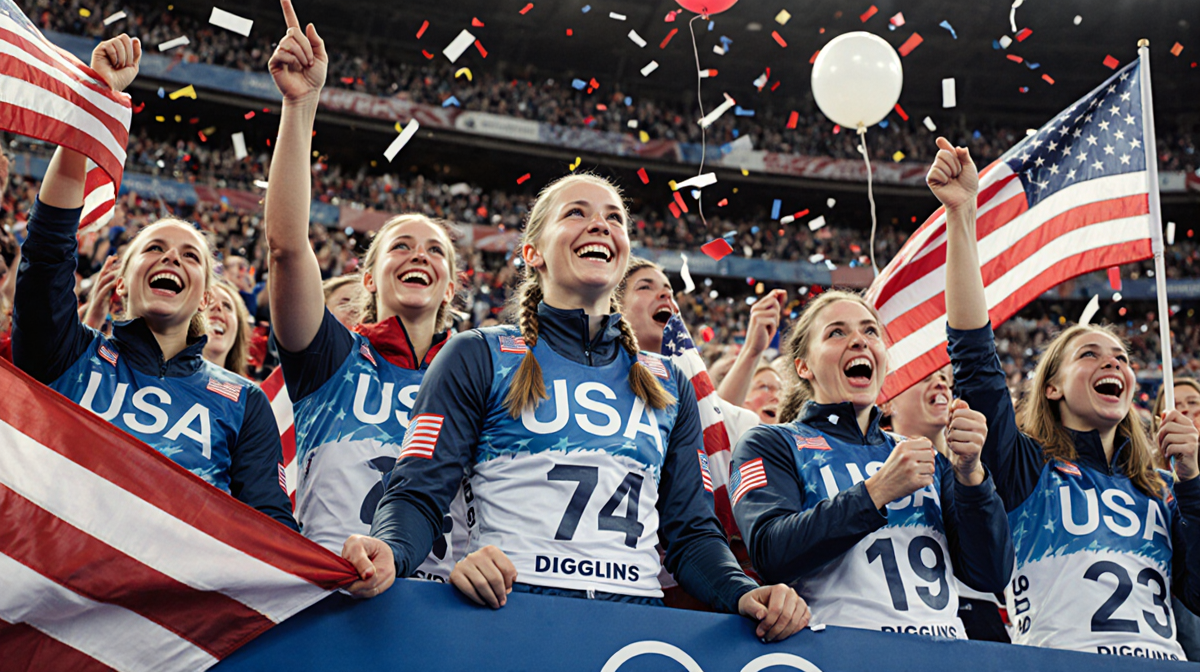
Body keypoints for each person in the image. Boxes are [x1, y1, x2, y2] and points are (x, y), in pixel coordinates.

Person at [342, 172, 810, 642]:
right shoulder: (476, 354)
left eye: (614, 218)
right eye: (576, 213)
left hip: (634, 630)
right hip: (510, 616)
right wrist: (389, 550)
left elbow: (691, 535)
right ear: (533, 253)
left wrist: (741, 591)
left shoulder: (671, 383)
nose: (600, 225)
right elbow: (417, 495)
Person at [12, 34, 295, 528]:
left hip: (176, 605)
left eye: (190, 256)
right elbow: (48, 245)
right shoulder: (67, 353)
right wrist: (94, 97)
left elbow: (270, 528)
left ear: (205, 294)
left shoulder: (244, 404)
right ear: (122, 281)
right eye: (155, 250)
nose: (171, 259)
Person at [939, 136, 1200, 660]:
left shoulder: (1161, 487)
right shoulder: (1024, 464)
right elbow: (975, 359)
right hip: (1058, 660)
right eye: (1090, 354)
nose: (1114, 363)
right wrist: (961, 216)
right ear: (1051, 386)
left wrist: (1193, 482)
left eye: (1122, 359)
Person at [264, 0, 469, 581]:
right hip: (334, 591)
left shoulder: (485, 376)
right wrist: (300, 106)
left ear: (450, 286)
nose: (418, 256)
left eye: (434, 251)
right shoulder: (330, 358)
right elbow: (286, 245)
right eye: (400, 247)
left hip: (449, 607)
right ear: (369, 278)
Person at [730, 289, 1013, 638]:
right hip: (842, 651)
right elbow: (770, 552)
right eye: (837, 332)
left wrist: (972, 476)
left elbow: (990, 573)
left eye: (870, 331)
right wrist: (876, 491)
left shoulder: (925, 456)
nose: (859, 342)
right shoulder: (772, 443)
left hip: (945, 653)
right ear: (803, 365)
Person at [885, 367, 1010, 642]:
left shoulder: (977, 469)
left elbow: (997, 566)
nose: (940, 383)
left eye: (944, 377)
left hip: (981, 617)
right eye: (924, 376)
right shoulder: (868, 475)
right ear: (888, 402)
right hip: (901, 626)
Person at [203, 277, 253, 377]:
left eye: (227, 306)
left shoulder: (248, 391)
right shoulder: (163, 381)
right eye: (207, 301)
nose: (218, 306)